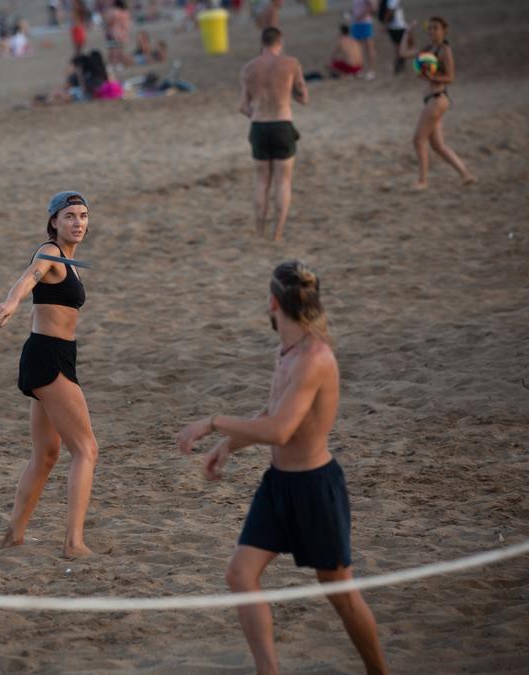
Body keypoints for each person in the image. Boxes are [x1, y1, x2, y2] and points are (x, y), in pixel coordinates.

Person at [175, 260, 388, 675]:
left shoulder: (314, 358)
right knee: (240, 575)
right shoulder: (286, 351)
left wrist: (213, 422)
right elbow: (270, 411)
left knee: (340, 591)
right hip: (278, 486)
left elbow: (280, 429)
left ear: (273, 302)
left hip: (314, 487)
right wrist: (227, 445)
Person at [0, 191, 99, 559]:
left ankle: (13, 536)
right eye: (69, 216)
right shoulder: (49, 253)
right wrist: (12, 301)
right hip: (48, 357)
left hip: (53, 355)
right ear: (54, 221)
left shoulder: (70, 258)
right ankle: (74, 543)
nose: (78, 222)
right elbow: (28, 278)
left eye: (83, 216)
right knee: (86, 450)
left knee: (47, 453)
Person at [239, 27, 308, 240]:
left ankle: (259, 232)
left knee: (261, 181)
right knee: (283, 181)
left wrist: (257, 116)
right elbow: (304, 97)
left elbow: (243, 106)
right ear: (280, 42)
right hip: (282, 124)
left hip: (259, 126)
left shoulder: (249, 68)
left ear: (262, 42)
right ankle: (276, 233)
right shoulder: (291, 64)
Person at [400, 16, 474, 189]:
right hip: (431, 100)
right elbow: (403, 53)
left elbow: (450, 77)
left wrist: (430, 77)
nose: (432, 31)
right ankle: (465, 174)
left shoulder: (444, 50)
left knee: (418, 140)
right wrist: (407, 32)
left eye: (436, 28)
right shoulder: (427, 49)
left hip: (438, 98)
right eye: (430, 28)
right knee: (438, 145)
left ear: (444, 30)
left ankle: (422, 181)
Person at [349, 0, 377, 79]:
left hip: (365, 23)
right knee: (357, 49)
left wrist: (361, 15)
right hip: (356, 23)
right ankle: (360, 70)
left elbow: (373, 7)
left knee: (369, 49)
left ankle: (371, 71)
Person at [380, 0, 408, 74]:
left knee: (399, 47)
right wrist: (385, 24)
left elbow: (389, 12)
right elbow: (390, 12)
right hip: (396, 26)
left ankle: (399, 64)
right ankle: (398, 65)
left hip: (396, 26)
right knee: (399, 47)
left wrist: (384, 24)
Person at [104, 0, 133, 67]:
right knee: (120, 49)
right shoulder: (125, 12)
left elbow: (109, 22)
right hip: (123, 33)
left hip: (113, 32)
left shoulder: (114, 11)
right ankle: (120, 64)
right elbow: (127, 24)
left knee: (113, 49)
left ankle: (113, 64)